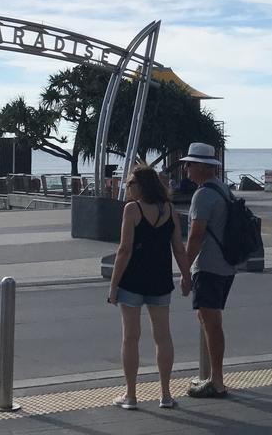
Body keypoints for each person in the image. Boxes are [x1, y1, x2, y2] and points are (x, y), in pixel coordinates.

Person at [107, 163, 191, 410]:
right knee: (163, 336)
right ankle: (165, 394)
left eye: (130, 183)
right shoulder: (169, 210)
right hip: (160, 280)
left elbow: (124, 251)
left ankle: (131, 395)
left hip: (132, 280)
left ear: (141, 185)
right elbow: (178, 248)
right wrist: (186, 277)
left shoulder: (132, 210)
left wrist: (113, 286)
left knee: (130, 337)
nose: (127, 187)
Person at [181, 142, 236, 399]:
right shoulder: (223, 189)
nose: (186, 169)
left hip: (208, 266)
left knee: (211, 322)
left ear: (202, 166)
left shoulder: (202, 195)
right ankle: (213, 376)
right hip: (226, 263)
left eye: (190, 164)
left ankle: (217, 381)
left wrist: (183, 270)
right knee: (209, 320)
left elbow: (196, 235)